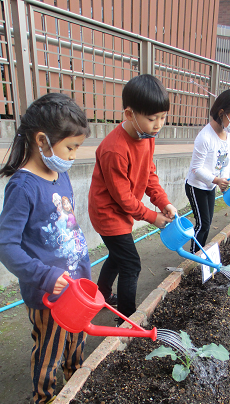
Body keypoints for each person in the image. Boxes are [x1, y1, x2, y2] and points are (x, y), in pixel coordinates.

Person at [0, 93, 91, 404]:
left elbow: (70, 228)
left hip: (75, 286)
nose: (74, 156)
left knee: (77, 336)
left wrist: (84, 274)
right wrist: (47, 276)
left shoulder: (59, 174)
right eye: (70, 148)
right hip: (47, 294)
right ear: (42, 140)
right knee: (49, 345)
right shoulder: (23, 187)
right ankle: (44, 398)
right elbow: (5, 245)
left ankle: (75, 375)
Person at [88, 74, 177, 324]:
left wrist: (163, 202)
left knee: (118, 257)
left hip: (122, 210)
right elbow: (124, 199)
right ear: (129, 114)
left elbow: (149, 173)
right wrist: (152, 217)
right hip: (108, 213)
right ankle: (126, 321)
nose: (158, 124)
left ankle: (102, 295)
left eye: (162, 117)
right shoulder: (113, 149)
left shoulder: (147, 136)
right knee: (131, 265)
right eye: (152, 118)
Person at [185, 88, 230, 252]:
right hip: (196, 186)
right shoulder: (205, 137)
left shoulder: (228, 134)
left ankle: (201, 251)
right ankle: (194, 255)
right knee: (203, 223)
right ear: (222, 113)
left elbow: (226, 159)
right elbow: (196, 169)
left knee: (208, 222)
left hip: (211, 185)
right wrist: (216, 180)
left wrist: (224, 179)